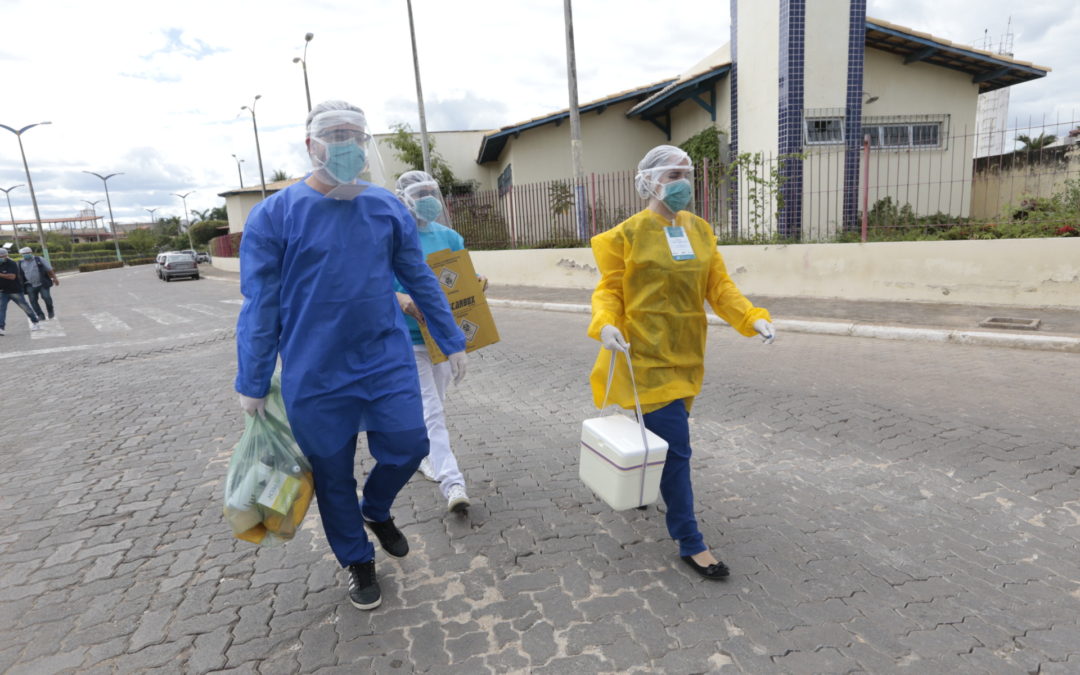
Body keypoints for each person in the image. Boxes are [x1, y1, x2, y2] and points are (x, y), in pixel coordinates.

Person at [234, 101, 468, 611]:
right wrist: (252, 380)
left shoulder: (385, 208)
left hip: (383, 358)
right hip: (314, 370)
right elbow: (261, 303)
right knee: (332, 473)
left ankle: (376, 506)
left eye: (355, 135)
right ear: (310, 144)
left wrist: (449, 340)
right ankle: (358, 559)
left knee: (410, 443)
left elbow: (419, 277)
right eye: (335, 134)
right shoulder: (274, 215)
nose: (346, 144)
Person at [587, 145, 776, 581]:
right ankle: (690, 541)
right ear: (650, 180)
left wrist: (752, 317)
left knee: (656, 436)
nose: (683, 183)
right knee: (676, 448)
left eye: (687, 174)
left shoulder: (700, 231)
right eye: (673, 175)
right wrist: (605, 323)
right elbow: (609, 290)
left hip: (687, 355)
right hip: (643, 357)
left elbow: (720, 287)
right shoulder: (627, 236)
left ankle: (638, 483)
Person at [392, 170, 487, 514]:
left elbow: (463, 281)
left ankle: (426, 455)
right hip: (410, 339)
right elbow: (376, 284)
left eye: (432, 192)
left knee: (435, 407)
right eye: (420, 193)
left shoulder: (450, 237)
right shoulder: (393, 238)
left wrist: (476, 284)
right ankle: (453, 482)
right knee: (432, 412)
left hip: (443, 342)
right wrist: (399, 298)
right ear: (404, 199)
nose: (429, 199)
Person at [0, 248, 42, 336]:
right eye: (1, 256)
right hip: (3, 291)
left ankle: (35, 322)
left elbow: (12, 276)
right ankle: (1, 328)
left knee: (25, 307)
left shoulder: (11, 263)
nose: (3, 257)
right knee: (1, 309)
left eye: (4, 256)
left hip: (15, 291)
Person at [18, 246, 59, 321]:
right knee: (33, 301)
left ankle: (50, 311)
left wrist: (55, 278)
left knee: (47, 297)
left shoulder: (39, 259)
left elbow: (49, 269)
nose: (25, 255)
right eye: (24, 254)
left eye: (27, 253)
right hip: (29, 285)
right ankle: (40, 315)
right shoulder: (20, 262)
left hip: (42, 283)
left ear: (31, 253)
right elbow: (20, 274)